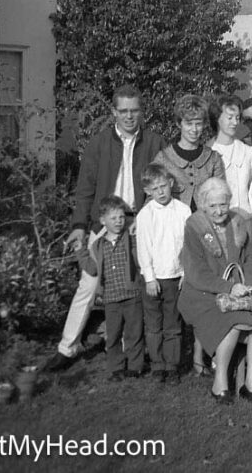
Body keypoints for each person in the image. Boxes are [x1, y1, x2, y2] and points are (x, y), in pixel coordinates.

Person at [45, 85, 165, 372]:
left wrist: (146, 221)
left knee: (137, 285)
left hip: (137, 223)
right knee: (88, 283)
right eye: (123, 111)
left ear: (141, 111)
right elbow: (85, 188)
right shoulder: (99, 144)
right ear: (113, 112)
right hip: (104, 222)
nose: (129, 116)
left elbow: (160, 185)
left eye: (134, 110)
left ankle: (135, 349)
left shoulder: (155, 143)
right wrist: (78, 226)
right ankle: (67, 346)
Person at [179, 178, 252, 403]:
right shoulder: (194, 226)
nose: (219, 211)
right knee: (229, 322)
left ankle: (251, 384)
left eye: (223, 204)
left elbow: (249, 258)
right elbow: (196, 273)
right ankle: (220, 383)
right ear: (202, 205)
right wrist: (229, 287)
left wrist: (248, 283)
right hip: (203, 293)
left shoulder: (238, 221)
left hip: (239, 290)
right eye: (212, 206)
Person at [76, 196, 144, 380]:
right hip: (111, 298)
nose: (118, 222)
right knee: (113, 335)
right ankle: (116, 368)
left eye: (121, 217)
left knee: (134, 333)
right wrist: (80, 252)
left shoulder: (130, 240)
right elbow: (91, 268)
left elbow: (139, 260)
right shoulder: (98, 245)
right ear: (103, 220)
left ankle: (135, 366)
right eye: (113, 218)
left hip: (132, 295)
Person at [135, 164, 191, 382]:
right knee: (153, 324)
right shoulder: (145, 215)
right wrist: (149, 278)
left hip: (175, 277)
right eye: (155, 188)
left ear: (171, 184)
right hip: (154, 279)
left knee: (173, 324)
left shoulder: (183, 210)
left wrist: (186, 273)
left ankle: (172, 365)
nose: (160, 192)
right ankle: (157, 364)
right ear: (148, 191)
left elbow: (188, 245)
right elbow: (143, 248)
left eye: (163, 186)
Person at [153, 94, 226, 212]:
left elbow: (221, 196)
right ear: (179, 124)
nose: (194, 129)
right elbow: (152, 197)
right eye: (189, 123)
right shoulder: (163, 158)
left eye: (198, 123)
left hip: (205, 225)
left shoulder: (213, 158)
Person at [208, 95, 252, 217]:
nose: (235, 123)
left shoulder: (248, 152)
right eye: (230, 118)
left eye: (237, 118)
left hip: (246, 219)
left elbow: (251, 187)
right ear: (217, 118)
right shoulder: (208, 153)